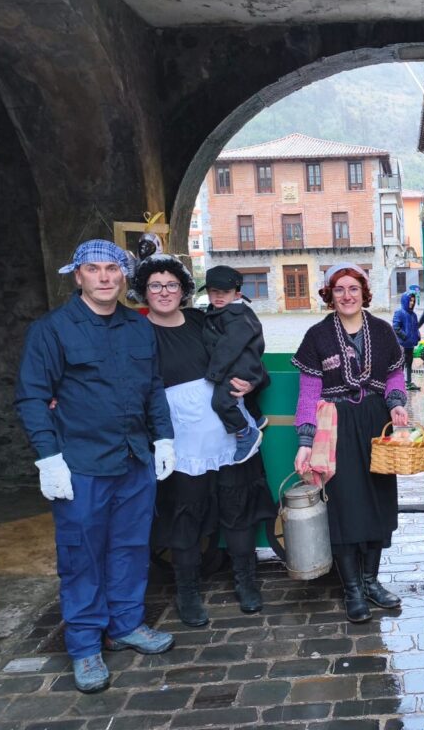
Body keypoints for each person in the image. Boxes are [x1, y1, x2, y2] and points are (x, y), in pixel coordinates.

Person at [15, 239, 176, 693]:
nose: (104, 277)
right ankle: (85, 645)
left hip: (134, 458)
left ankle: (125, 624)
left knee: (130, 547)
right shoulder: (53, 330)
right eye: (94, 269)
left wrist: (163, 437)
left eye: (112, 269)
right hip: (81, 463)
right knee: (81, 555)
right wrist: (48, 458)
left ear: (123, 276)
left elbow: (153, 387)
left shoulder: (138, 326)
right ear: (78, 276)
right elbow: (31, 396)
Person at [135, 255, 276, 627]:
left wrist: (252, 381)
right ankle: (187, 592)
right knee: (185, 514)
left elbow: (249, 356)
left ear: (183, 289)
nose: (164, 292)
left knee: (237, 508)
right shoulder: (136, 333)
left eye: (171, 284)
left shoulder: (206, 319)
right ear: (144, 292)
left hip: (229, 431)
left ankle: (246, 582)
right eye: (155, 285)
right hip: (179, 437)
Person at [291, 263, 409, 623]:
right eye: (339, 289)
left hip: (375, 423)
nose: (347, 296)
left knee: (377, 502)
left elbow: (395, 374)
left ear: (364, 293)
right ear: (330, 295)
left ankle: (371, 582)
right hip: (335, 428)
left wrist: (397, 403)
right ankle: (353, 590)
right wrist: (305, 440)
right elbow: (308, 392)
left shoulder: (383, 331)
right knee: (343, 506)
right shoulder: (317, 336)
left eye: (353, 289)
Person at [201, 265, 269, 463]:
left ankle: (246, 433)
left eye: (225, 292)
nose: (219, 296)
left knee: (221, 402)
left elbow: (228, 348)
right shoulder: (222, 311)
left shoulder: (237, 317)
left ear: (237, 294)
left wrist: (214, 375)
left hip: (238, 367)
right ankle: (257, 417)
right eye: (214, 291)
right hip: (242, 364)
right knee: (242, 397)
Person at [392, 290, 424, 391]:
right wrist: (405, 337)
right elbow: (396, 327)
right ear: (405, 300)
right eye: (410, 300)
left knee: (409, 363)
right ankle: (399, 383)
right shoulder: (399, 312)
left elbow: (415, 327)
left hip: (410, 345)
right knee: (401, 364)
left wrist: (417, 335)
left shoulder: (413, 315)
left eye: (413, 301)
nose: (412, 303)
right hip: (402, 345)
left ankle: (409, 382)